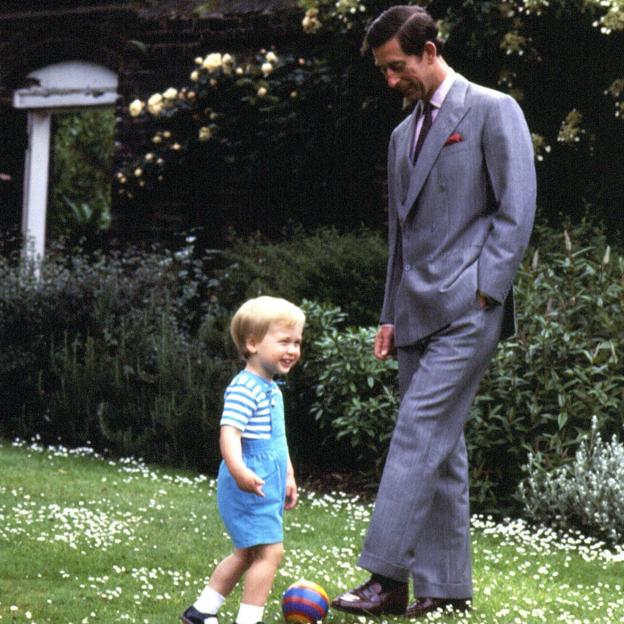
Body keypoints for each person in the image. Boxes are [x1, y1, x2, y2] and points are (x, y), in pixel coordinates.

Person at [331, 5, 536, 619]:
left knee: (417, 433)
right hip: (414, 314)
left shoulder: (494, 110)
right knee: (441, 449)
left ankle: (386, 578)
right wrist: (390, 314)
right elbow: (401, 236)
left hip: (470, 309)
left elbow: (516, 207)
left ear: (429, 50)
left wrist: (486, 290)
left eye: (398, 67)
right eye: (383, 71)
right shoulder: (401, 135)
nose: (391, 80)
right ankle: (444, 589)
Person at [181, 296, 305, 624]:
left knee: (247, 553)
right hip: (249, 481)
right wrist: (239, 471)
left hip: (268, 480)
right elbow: (230, 433)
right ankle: (249, 620)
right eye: (284, 341)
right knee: (270, 552)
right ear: (252, 343)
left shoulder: (271, 389)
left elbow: (278, 441)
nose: (293, 350)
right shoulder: (244, 388)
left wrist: (289, 476)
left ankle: (201, 611)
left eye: (297, 342)